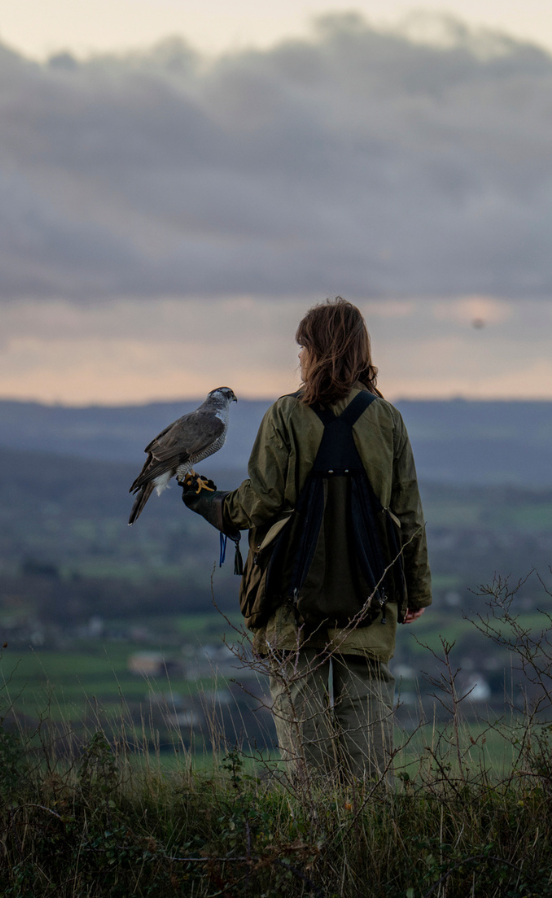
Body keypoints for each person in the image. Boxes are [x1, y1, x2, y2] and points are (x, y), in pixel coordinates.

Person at [180, 297, 431, 781]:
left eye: (303, 347)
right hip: (369, 593)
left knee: (308, 768)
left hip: (289, 599)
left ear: (319, 351)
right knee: (367, 763)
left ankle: (314, 844)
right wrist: (414, 592)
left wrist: (211, 504)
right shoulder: (387, 419)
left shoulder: (285, 416)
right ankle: (365, 842)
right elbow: (408, 514)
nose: (298, 357)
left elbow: (263, 502)